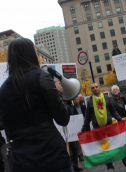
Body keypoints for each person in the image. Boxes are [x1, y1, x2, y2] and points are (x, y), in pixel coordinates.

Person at [0, 38, 72, 172]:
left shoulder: (3, 90)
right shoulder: (41, 77)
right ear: (29, 54)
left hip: (23, 160)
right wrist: (59, 94)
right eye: (35, 51)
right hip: (52, 155)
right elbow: (63, 118)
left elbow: (7, 128)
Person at [79, 83, 126, 172]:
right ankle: (110, 167)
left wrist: (120, 119)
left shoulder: (107, 98)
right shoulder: (90, 102)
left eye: (96, 87)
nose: (95, 89)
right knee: (105, 148)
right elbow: (87, 118)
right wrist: (82, 130)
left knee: (118, 144)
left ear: (99, 88)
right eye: (93, 88)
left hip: (110, 127)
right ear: (91, 90)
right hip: (98, 129)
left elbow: (113, 111)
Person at [72, 97, 86, 161]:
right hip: (77, 125)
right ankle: (80, 154)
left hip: (84, 124)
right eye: (75, 100)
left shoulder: (83, 106)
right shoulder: (72, 108)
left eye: (77, 99)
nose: (76, 101)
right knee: (79, 140)